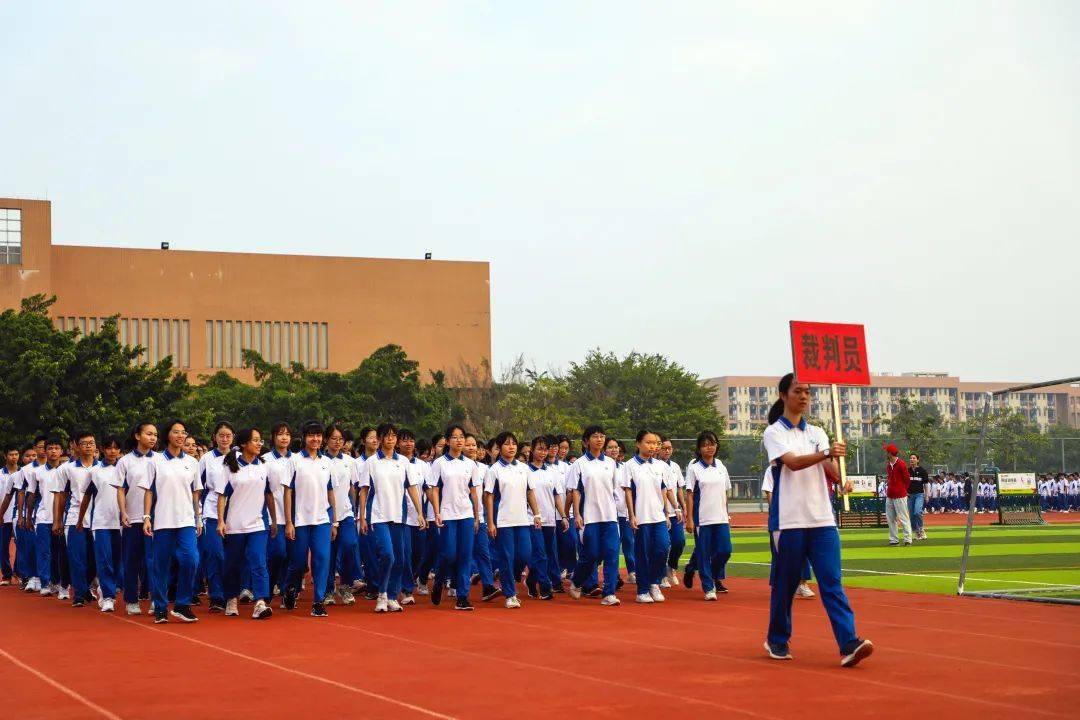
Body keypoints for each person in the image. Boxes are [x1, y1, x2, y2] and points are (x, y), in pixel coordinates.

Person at [763, 373, 873, 667]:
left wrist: (841, 479)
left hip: (822, 519)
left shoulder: (818, 432)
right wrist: (825, 452)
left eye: (808, 392)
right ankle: (777, 638)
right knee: (786, 585)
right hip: (789, 521)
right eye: (798, 391)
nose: (804, 397)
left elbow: (828, 467)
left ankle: (848, 642)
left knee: (831, 581)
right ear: (784, 395)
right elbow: (794, 464)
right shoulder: (774, 433)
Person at [357, 423, 426, 613]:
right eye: (387, 436)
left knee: (400, 558)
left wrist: (420, 512)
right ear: (379, 439)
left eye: (393, 436)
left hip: (398, 515)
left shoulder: (403, 462)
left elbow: (411, 487)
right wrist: (362, 517)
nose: (390, 439)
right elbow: (363, 491)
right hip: (378, 515)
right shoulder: (371, 462)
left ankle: (392, 595)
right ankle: (382, 594)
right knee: (387, 554)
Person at [141, 419, 203, 624]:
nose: (180, 436)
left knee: (191, 560)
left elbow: (195, 495)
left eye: (183, 432)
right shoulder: (155, 461)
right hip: (163, 521)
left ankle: (182, 604)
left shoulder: (192, 462)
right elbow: (149, 491)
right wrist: (147, 517)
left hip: (186, 520)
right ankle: (160, 607)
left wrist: (198, 518)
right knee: (160, 565)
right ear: (168, 435)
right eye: (176, 432)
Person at [217, 428, 275, 620]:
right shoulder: (230, 466)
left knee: (259, 562)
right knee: (232, 564)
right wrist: (220, 521)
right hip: (234, 525)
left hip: (257, 525)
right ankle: (231, 598)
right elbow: (222, 496)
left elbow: (269, 495)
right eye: (255, 440)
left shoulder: (263, 466)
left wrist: (274, 520)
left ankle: (260, 602)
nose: (259, 444)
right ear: (243, 444)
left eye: (260, 440)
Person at [282, 420, 338, 617]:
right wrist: (288, 522)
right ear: (304, 438)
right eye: (311, 435)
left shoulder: (327, 463)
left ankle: (318, 601)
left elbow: (331, 492)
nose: (315, 439)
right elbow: (287, 492)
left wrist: (335, 521)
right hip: (300, 521)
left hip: (322, 519)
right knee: (298, 563)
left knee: (322, 559)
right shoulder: (294, 461)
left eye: (318, 436)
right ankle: (289, 587)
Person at [483, 431, 542, 608]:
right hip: (504, 521)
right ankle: (510, 594)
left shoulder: (524, 468)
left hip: (523, 520)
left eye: (514, 444)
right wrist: (491, 522)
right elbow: (489, 497)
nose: (511, 447)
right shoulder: (494, 470)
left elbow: (530, 492)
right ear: (499, 448)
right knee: (507, 557)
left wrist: (537, 514)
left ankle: (506, 576)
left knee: (524, 554)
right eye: (507, 444)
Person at [426, 425, 482, 611]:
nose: (459, 440)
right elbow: (434, 489)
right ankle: (440, 581)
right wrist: (437, 512)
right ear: (448, 440)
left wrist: (476, 515)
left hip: (465, 514)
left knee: (465, 556)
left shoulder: (470, 464)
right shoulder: (439, 463)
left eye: (461, 437)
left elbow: (474, 492)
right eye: (455, 437)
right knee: (448, 554)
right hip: (447, 514)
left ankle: (462, 596)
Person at [567, 425, 622, 606]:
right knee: (591, 555)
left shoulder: (610, 463)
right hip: (589, 517)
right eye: (595, 436)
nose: (599, 439)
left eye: (602, 436)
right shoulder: (579, 464)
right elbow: (576, 491)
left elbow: (614, 489)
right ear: (586, 441)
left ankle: (609, 593)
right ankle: (577, 581)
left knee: (612, 553)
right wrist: (577, 514)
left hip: (610, 517)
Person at [620, 429, 675, 604]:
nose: (652, 446)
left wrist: (667, 513)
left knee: (663, 547)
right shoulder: (630, 466)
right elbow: (628, 491)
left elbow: (664, 490)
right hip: (641, 517)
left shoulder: (661, 466)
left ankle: (654, 582)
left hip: (658, 517)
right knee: (642, 553)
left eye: (655, 443)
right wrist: (632, 515)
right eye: (648, 442)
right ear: (638, 444)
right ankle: (642, 590)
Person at [683, 430, 733, 600]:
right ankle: (708, 587)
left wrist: (727, 513)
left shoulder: (721, 466)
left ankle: (692, 568)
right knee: (704, 553)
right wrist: (689, 518)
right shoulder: (694, 468)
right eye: (705, 445)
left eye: (712, 444)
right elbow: (689, 494)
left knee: (725, 550)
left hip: (721, 518)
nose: (709, 448)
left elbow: (725, 492)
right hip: (702, 519)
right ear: (699, 448)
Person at [76, 435, 123, 612]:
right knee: (104, 560)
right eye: (109, 448)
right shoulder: (94, 472)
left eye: (116, 448)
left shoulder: (124, 468)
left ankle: (105, 587)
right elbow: (87, 498)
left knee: (117, 560)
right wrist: (80, 520)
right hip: (101, 522)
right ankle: (109, 596)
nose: (112, 451)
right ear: (102, 449)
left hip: (121, 522)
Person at [115, 421, 157, 614]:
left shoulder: (159, 460)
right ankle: (131, 600)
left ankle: (157, 599)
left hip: (156, 519)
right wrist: (123, 512)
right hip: (133, 518)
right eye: (148, 434)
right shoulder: (125, 461)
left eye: (155, 435)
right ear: (137, 436)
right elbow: (121, 490)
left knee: (154, 561)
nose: (153, 438)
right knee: (131, 560)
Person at [53, 431, 98, 607]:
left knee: (94, 560)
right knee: (77, 558)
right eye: (84, 443)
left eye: (92, 443)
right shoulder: (67, 469)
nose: (88, 446)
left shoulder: (102, 467)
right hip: (74, 519)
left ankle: (86, 586)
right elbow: (61, 497)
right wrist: (57, 520)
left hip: (98, 520)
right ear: (76, 446)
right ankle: (79, 594)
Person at [759, 464, 815, 599]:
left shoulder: (800, 467)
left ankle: (802, 584)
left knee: (803, 550)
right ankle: (778, 584)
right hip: (780, 518)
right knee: (779, 552)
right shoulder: (772, 469)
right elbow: (769, 491)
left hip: (800, 515)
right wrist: (776, 511)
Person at [524, 436, 566, 599]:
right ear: (532, 450)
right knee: (540, 553)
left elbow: (556, 496)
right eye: (539, 448)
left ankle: (531, 580)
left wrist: (562, 516)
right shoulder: (525, 470)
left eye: (545, 449)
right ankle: (545, 586)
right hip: (531, 518)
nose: (542, 452)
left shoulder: (551, 472)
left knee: (546, 554)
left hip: (550, 519)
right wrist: (535, 514)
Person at [323, 424, 360, 606]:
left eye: (340, 439)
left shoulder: (349, 461)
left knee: (349, 544)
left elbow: (352, 487)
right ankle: (328, 588)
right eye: (333, 439)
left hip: (346, 512)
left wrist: (355, 509)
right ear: (326, 440)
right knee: (329, 552)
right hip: (325, 513)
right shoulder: (321, 461)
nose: (337, 443)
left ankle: (345, 584)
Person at [198, 422, 234, 612]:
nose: (225, 439)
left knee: (232, 556)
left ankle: (232, 593)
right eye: (221, 435)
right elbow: (199, 487)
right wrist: (199, 513)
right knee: (215, 554)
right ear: (215, 437)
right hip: (211, 512)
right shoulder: (206, 459)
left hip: (235, 512)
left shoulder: (238, 457)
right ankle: (217, 595)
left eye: (228, 435)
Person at [28, 437, 66, 598]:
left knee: (59, 552)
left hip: (63, 518)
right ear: (45, 451)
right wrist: (28, 516)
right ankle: (44, 583)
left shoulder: (66, 470)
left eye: (56, 448)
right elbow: (32, 495)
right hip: (43, 517)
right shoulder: (37, 472)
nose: (53, 451)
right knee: (44, 552)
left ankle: (57, 582)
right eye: (50, 448)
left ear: (61, 451)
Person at [264, 422, 293, 603]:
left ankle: (285, 589)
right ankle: (269, 585)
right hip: (272, 515)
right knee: (277, 553)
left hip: (293, 516)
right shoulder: (265, 459)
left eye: (287, 434)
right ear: (273, 437)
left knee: (292, 556)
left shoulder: (296, 459)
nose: (284, 438)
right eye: (280, 434)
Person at [605, 438, 636, 586]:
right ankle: (614, 575)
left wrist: (632, 512)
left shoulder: (625, 467)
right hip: (609, 513)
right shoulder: (602, 466)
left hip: (624, 512)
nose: (614, 450)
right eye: (610, 447)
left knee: (629, 543)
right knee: (612, 546)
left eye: (616, 447)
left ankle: (632, 572)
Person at [658, 437, 685, 588]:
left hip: (675, 513)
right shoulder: (656, 465)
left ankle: (671, 567)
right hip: (660, 513)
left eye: (669, 448)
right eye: (664, 448)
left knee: (679, 542)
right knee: (662, 545)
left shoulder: (675, 466)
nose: (667, 450)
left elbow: (678, 488)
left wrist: (682, 506)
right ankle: (661, 574)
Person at [883, 444, 912, 546]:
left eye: (887, 452)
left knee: (903, 517)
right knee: (890, 518)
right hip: (890, 495)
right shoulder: (888, 465)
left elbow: (907, 479)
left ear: (890, 453)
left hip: (900, 495)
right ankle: (894, 539)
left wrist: (904, 490)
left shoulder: (901, 464)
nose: (886, 453)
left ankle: (908, 539)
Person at [0, 445, 20, 585]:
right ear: (5, 456)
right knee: (2, 546)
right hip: (3, 515)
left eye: (16, 454)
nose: (14, 457)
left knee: (22, 545)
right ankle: (6, 575)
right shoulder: (0, 474)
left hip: (19, 515)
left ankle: (19, 572)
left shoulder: (23, 473)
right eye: (11, 454)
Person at [906, 453, 928, 540]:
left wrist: (927, 495)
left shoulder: (922, 471)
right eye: (910, 458)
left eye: (914, 458)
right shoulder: (907, 471)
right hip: (909, 496)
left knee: (917, 512)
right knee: (911, 515)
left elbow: (926, 484)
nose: (912, 460)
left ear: (917, 460)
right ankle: (917, 532)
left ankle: (921, 530)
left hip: (919, 495)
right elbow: (904, 483)